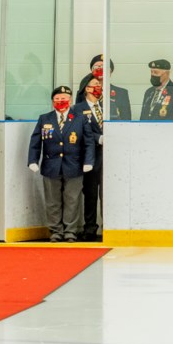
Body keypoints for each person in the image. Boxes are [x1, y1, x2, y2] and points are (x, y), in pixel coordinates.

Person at [28, 86, 95, 242]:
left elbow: (89, 142)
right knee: (53, 201)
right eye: (57, 99)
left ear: (70, 100)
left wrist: (88, 161)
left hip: (75, 166)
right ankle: (56, 231)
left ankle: (71, 231)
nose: (61, 101)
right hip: (51, 166)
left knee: (72, 199)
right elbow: (35, 142)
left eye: (64, 98)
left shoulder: (80, 118)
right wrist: (32, 160)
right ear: (52, 101)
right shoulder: (45, 118)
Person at [75, 77, 106, 242]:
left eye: (100, 85)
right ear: (86, 88)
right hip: (90, 155)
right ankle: (90, 227)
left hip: (109, 155)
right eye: (95, 85)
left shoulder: (108, 106)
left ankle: (108, 225)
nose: (98, 87)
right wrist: (98, 138)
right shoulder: (78, 109)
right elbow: (78, 130)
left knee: (107, 193)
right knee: (91, 192)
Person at [75, 54, 132, 121]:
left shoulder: (122, 93)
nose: (99, 69)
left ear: (110, 72)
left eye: (103, 67)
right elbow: (78, 117)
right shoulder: (83, 92)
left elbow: (126, 119)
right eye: (96, 67)